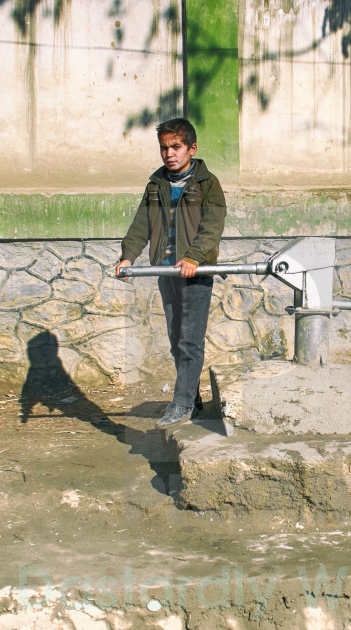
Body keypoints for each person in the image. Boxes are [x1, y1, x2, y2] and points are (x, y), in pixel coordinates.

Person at [115, 118, 227, 428]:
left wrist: (194, 256)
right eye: (164, 148)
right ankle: (190, 397)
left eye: (176, 147)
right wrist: (128, 256)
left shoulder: (207, 184)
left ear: (192, 148)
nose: (169, 154)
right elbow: (141, 224)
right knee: (176, 339)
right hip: (166, 273)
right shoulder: (156, 185)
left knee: (190, 341)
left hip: (195, 274)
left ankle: (181, 404)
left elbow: (212, 227)